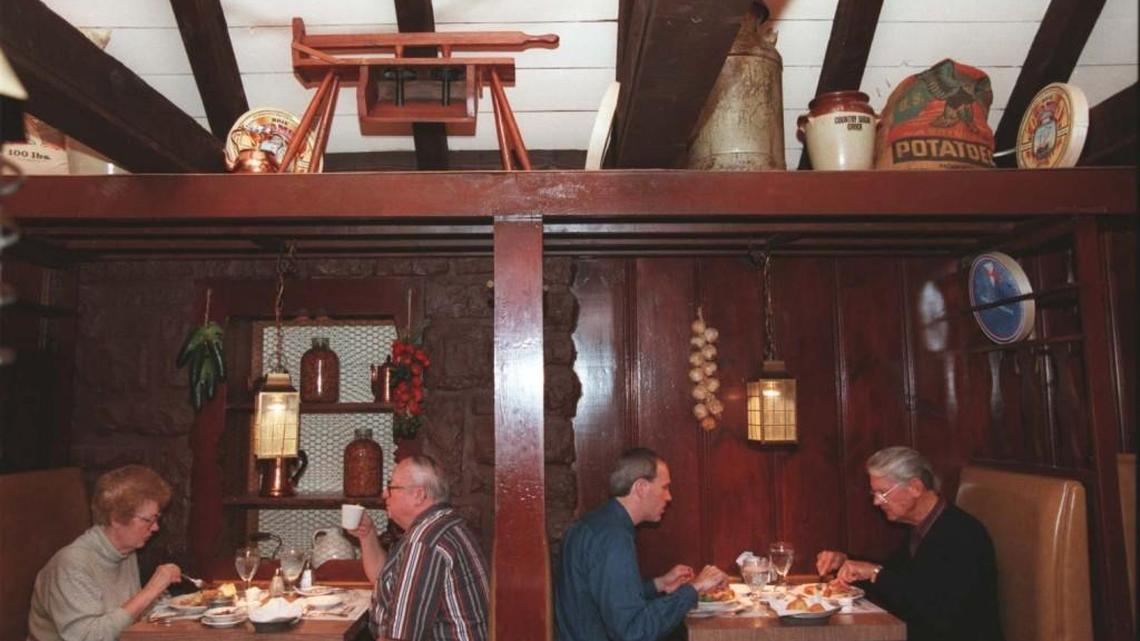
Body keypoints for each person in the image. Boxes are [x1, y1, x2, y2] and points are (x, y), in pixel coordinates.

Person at [815, 446, 1003, 641]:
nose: (877, 502)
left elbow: (937, 611)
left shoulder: (962, 534)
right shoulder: (924, 527)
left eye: (883, 493)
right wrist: (847, 561)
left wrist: (875, 573)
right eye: (874, 494)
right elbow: (896, 576)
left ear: (915, 487)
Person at [555, 447, 728, 641]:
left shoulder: (596, 523)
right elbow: (634, 631)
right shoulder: (614, 539)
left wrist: (658, 585)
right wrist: (694, 589)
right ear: (641, 487)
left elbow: (608, 598)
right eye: (664, 487)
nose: (669, 497)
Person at [28, 464, 182, 641]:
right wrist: (150, 591)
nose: (155, 527)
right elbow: (89, 637)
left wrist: (166, 601)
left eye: (156, 518)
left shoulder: (125, 551)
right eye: (147, 520)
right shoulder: (72, 565)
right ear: (116, 518)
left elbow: (127, 617)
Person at [347, 455, 489, 641]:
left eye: (391, 487)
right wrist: (367, 535)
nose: (384, 494)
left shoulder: (424, 541)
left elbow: (401, 637)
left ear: (419, 495)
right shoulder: (444, 525)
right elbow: (385, 579)